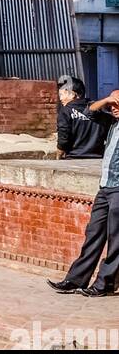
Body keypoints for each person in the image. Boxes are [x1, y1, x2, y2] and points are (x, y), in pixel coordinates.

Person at [49, 88, 119, 297]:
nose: (114, 109)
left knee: (116, 239)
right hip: (105, 187)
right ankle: (75, 279)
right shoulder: (112, 124)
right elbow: (90, 112)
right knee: (93, 234)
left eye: (118, 105)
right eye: (112, 106)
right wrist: (108, 99)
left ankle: (104, 283)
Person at [56, 74, 108, 159]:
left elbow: (63, 137)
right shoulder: (98, 109)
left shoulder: (66, 111)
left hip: (74, 158)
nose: (60, 99)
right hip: (98, 159)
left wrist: (58, 155)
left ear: (73, 94)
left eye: (62, 95)